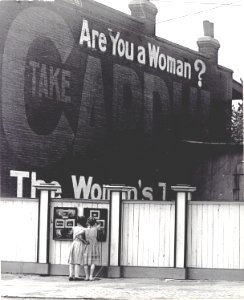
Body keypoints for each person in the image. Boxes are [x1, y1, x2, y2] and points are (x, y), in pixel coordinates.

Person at [68, 216, 88, 281]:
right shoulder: (83, 229)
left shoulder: (73, 228)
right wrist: (85, 242)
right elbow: (83, 238)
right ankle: (76, 276)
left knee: (72, 259)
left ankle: (71, 275)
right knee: (78, 259)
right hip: (79, 244)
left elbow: (70, 234)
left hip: (73, 243)